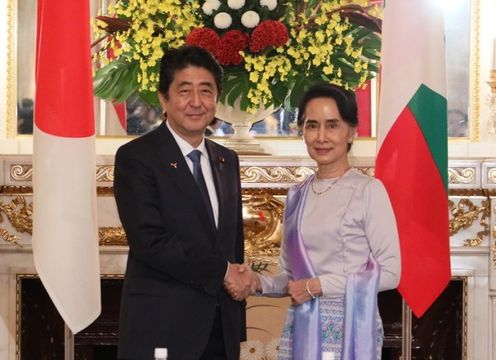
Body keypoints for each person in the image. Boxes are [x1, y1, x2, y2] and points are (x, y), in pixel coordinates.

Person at [228, 83, 401, 359]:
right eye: (312, 125)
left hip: (351, 328)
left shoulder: (369, 190)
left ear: (352, 132)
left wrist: (317, 286)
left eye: (332, 125)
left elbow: (391, 272)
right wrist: (257, 282)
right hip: (300, 328)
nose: (321, 136)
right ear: (301, 131)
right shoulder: (297, 195)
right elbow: (291, 278)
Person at [114, 45, 253, 360]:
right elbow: (150, 241)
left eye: (206, 91)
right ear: (164, 99)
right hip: (162, 326)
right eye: (184, 91)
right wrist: (222, 272)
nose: (196, 102)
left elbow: (232, 243)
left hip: (220, 328)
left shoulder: (226, 159)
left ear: (216, 98)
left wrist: (236, 316)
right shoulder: (137, 157)